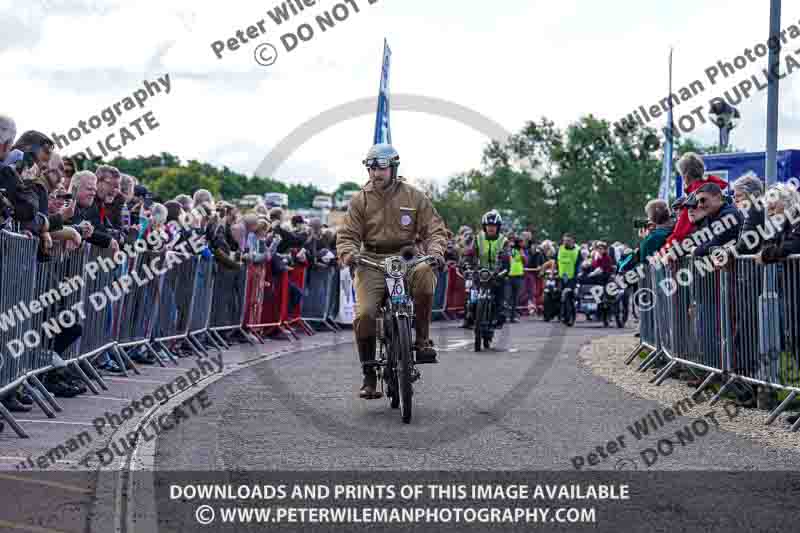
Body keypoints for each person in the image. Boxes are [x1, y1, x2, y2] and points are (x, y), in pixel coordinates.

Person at [337, 143, 448, 400]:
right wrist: (349, 254)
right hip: (371, 261)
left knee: (424, 274)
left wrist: (437, 251)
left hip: (406, 257)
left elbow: (434, 229)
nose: (376, 173)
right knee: (364, 315)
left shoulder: (414, 196)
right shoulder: (359, 200)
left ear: (394, 167)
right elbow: (347, 235)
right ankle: (368, 375)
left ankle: (421, 341)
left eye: (381, 168)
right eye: (371, 168)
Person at [661, 152, 729, 257]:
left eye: (681, 174)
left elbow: (681, 231)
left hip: (704, 254)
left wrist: (666, 250)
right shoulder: (712, 188)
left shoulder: (695, 194)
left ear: (686, 176)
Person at [732, 173, 766, 255]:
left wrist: (727, 252)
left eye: (739, 196)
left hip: (757, 265)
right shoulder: (746, 212)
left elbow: (745, 244)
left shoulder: (754, 210)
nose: (735, 200)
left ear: (754, 195)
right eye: (734, 197)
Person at [504, 234, 528, 322]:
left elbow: (526, 262)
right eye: (521, 242)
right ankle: (505, 315)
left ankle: (512, 317)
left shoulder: (522, 251)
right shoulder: (510, 250)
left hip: (519, 276)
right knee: (507, 297)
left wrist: (523, 256)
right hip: (510, 276)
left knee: (515, 298)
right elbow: (506, 258)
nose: (523, 244)